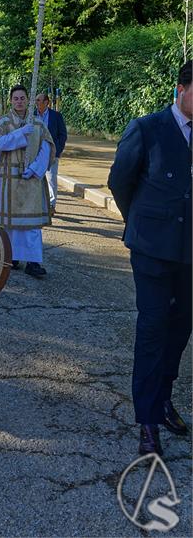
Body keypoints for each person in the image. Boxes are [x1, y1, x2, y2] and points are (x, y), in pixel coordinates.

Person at [108, 60, 192, 457]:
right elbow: (119, 182)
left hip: (190, 253)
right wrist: (142, 224)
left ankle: (163, 398)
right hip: (152, 251)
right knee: (154, 328)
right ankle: (147, 419)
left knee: (181, 329)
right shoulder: (147, 128)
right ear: (181, 89)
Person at [0, 85, 55, 277]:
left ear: (27, 101)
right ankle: (10, 257)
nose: (19, 101)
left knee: (30, 225)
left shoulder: (38, 125)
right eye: (16, 98)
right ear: (11, 100)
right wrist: (20, 135)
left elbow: (46, 149)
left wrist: (35, 169)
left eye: (23, 98)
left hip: (30, 180)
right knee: (9, 223)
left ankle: (33, 262)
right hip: (7, 180)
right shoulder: (2, 122)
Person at [35, 92, 68, 213]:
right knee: (36, 178)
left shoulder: (56, 116)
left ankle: (51, 205)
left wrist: (57, 151)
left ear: (46, 102)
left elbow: (62, 135)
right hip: (36, 153)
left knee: (51, 179)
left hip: (51, 153)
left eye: (39, 100)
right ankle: (38, 204)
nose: (37, 103)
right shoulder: (31, 115)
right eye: (36, 100)